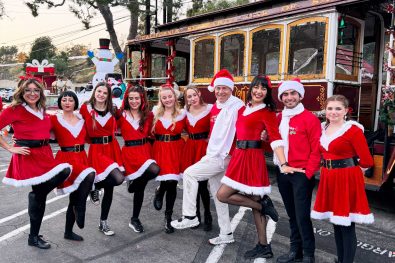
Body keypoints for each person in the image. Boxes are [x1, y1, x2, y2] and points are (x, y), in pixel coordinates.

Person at [217, 75, 290, 259]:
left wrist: (283, 161)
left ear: (267, 93)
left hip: (253, 159)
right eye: (256, 87)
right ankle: (262, 204)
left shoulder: (267, 112)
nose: (259, 91)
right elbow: (237, 135)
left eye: (263, 89)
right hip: (238, 158)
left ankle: (263, 245)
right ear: (251, 89)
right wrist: (229, 155)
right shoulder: (243, 109)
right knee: (222, 195)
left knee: (228, 196)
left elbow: (274, 138)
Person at [171, 69, 244, 245]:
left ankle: (190, 216)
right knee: (219, 196)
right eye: (218, 88)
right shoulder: (216, 107)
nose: (220, 92)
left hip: (223, 156)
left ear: (231, 89)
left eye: (224, 88)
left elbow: (242, 132)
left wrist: (233, 155)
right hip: (213, 153)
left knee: (190, 174)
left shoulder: (238, 106)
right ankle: (226, 233)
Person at [0, 78, 71, 249]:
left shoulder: (42, 109)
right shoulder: (14, 110)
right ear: (21, 93)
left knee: (63, 172)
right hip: (28, 155)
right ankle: (33, 237)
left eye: (36, 90)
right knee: (41, 194)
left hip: (45, 154)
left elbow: (47, 130)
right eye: (28, 90)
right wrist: (10, 147)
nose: (32, 94)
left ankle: (34, 231)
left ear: (41, 92)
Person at [311, 95, 374, 263]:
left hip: (346, 179)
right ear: (325, 111)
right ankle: (340, 260)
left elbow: (367, 160)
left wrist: (352, 172)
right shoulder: (322, 128)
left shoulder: (353, 130)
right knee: (336, 223)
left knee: (346, 225)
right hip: (328, 178)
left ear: (346, 111)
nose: (333, 112)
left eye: (338, 108)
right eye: (330, 108)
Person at [275, 79, 321, 263]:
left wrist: (308, 173)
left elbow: (316, 149)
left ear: (300, 95)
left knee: (302, 216)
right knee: (292, 214)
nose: (289, 97)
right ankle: (295, 251)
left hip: (301, 174)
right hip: (282, 172)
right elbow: (274, 143)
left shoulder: (310, 119)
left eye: (293, 93)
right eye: (285, 94)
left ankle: (309, 255)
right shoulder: (278, 118)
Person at [79, 82, 124, 236]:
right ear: (94, 92)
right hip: (97, 150)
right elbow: (74, 121)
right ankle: (96, 187)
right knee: (118, 178)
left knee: (111, 188)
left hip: (112, 148)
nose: (101, 95)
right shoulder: (86, 108)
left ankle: (103, 222)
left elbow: (128, 117)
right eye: (99, 91)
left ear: (109, 95)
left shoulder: (113, 110)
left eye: (105, 93)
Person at [50, 91, 96, 241]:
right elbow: (40, 132)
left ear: (75, 102)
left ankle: (68, 232)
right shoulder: (54, 119)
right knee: (89, 175)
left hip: (82, 156)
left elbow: (94, 133)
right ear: (60, 102)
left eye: (71, 100)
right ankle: (80, 206)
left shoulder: (82, 119)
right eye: (64, 100)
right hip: (66, 159)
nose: (67, 102)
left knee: (74, 197)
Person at [118, 84, 160, 233]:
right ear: (127, 99)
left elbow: (155, 132)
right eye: (131, 98)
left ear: (142, 99)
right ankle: (135, 219)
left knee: (154, 170)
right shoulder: (120, 114)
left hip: (144, 151)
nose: (134, 101)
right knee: (140, 189)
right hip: (129, 153)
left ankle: (134, 186)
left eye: (137, 98)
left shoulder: (148, 115)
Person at [151, 84, 185, 234]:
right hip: (159, 149)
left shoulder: (182, 114)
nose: (167, 99)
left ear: (175, 97)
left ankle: (168, 218)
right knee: (166, 180)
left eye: (170, 96)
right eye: (164, 97)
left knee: (172, 183)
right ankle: (160, 190)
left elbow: (195, 127)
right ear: (161, 99)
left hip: (176, 149)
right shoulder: (154, 113)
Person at [181, 86, 213, 231]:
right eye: (189, 96)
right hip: (190, 148)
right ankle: (195, 216)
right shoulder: (184, 112)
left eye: (194, 95)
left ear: (199, 94)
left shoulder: (210, 109)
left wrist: (210, 139)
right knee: (192, 185)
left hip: (203, 148)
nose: (192, 98)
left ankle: (207, 214)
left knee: (202, 185)